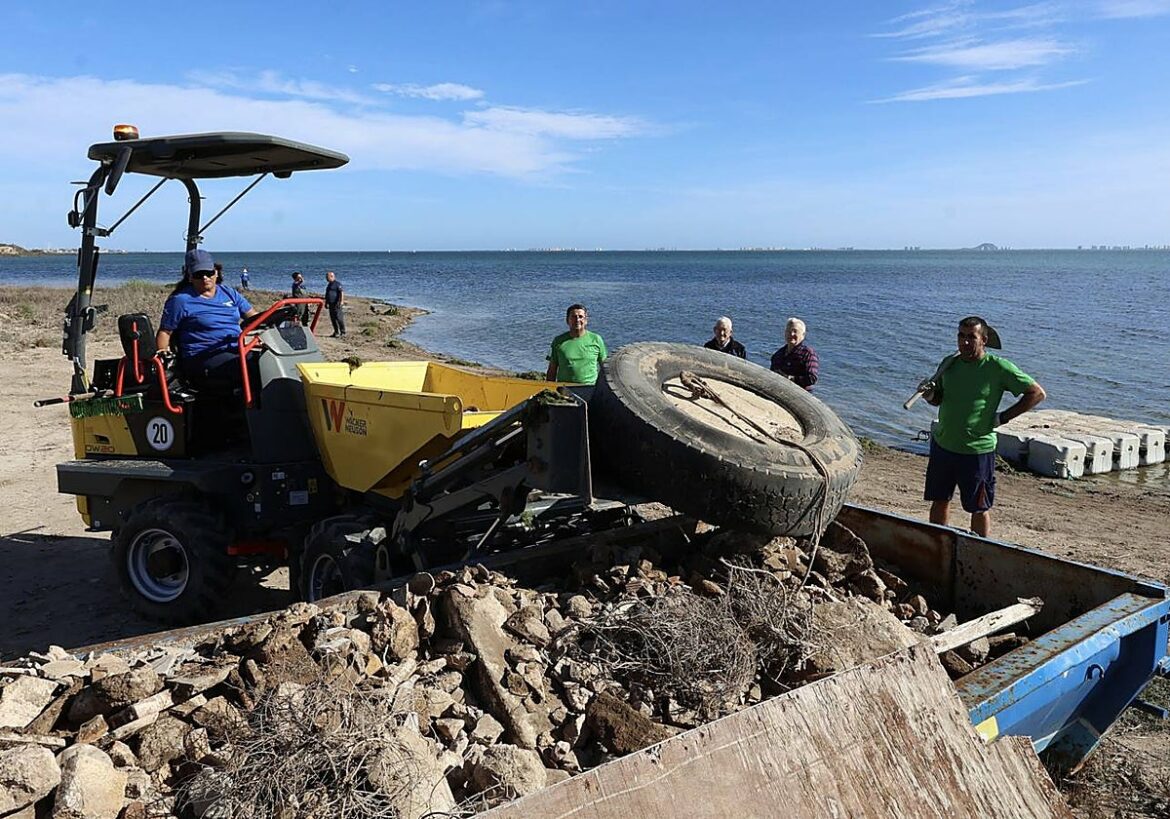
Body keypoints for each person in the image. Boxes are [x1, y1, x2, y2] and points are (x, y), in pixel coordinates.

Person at [922, 315, 1046, 537]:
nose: (965, 342)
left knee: (979, 507)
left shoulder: (997, 368)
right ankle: (936, 544)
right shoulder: (949, 363)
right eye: (961, 336)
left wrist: (1002, 418)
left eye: (971, 337)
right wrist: (930, 395)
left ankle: (981, 549)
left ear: (984, 340)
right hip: (943, 445)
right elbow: (939, 398)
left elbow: (1036, 393)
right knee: (940, 500)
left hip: (977, 451)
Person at [156, 248, 259, 393]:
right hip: (202, 355)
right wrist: (163, 355)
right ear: (190, 277)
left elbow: (256, 319)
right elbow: (165, 332)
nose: (205, 278)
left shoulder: (229, 293)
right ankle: (250, 409)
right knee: (246, 367)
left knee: (267, 362)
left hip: (235, 349)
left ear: (216, 272)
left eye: (208, 273)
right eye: (199, 274)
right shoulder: (181, 301)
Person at [546, 303, 607, 384]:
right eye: (574, 317)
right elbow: (552, 370)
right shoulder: (558, 341)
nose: (577, 320)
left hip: (590, 389)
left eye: (581, 317)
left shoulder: (596, 339)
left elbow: (605, 368)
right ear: (567, 320)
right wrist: (549, 389)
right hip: (564, 390)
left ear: (586, 320)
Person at [770, 317, 819, 391]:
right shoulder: (778, 354)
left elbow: (812, 378)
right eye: (788, 331)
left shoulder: (808, 354)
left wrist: (790, 378)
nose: (791, 334)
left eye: (795, 331)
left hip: (800, 395)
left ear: (803, 335)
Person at [324, 270, 346, 337]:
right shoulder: (329, 285)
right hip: (331, 304)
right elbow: (327, 294)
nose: (326, 279)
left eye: (327, 277)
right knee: (333, 319)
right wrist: (326, 302)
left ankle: (343, 332)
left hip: (337, 304)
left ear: (331, 276)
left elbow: (341, 292)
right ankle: (336, 332)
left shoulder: (337, 284)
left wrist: (341, 301)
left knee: (339, 318)